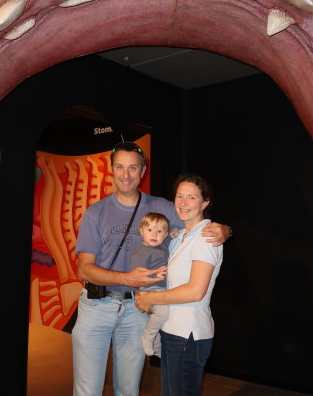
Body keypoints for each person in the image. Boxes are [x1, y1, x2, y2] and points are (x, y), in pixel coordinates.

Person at [72, 141, 230, 396]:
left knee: (128, 389)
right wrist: (128, 278)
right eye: (120, 167)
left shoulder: (164, 208)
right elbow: (84, 270)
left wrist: (225, 230)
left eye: (132, 168)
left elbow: (197, 220)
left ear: (142, 171)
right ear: (111, 170)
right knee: (87, 389)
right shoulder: (96, 213)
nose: (126, 175)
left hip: (137, 310)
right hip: (96, 307)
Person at [135, 173, 223, 396]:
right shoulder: (179, 237)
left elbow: (195, 291)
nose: (183, 203)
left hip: (188, 334)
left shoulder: (206, 237)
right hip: (172, 331)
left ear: (205, 202)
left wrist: (150, 298)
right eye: (179, 196)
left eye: (191, 198)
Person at [130, 212, 171, 358]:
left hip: (161, 288)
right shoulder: (140, 252)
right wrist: (155, 274)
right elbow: (138, 276)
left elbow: (171, 237)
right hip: (148, 289)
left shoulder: (162, 247)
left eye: (159, 231)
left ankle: (158, 349)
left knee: (160, 320)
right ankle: (147, 336)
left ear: (165, 235)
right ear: (141, 231)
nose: (154, 234)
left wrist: (174, 234)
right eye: (149, 230)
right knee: (163, 312)